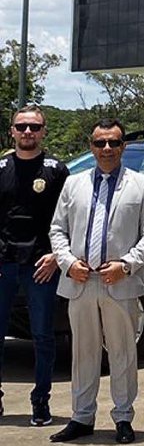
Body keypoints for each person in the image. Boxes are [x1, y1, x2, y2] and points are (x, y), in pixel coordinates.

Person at [48, 118, 144, 443]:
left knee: (122, 352)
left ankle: (123, 418)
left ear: (123, 146)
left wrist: (126, 265)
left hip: (119, 281)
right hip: (81, 281)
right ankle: (82, 417)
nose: (107, 149)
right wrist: (68, 263)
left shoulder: (140, 184)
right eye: (100, 143)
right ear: (91, 146)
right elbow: (58, 228)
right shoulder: (74, 184)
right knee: (83, 353)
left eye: (113, 142)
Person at [0, 106, 70, 425]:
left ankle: (40, 400)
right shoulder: (1, 167)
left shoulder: (57, 170)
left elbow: (69, 219)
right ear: (12, 130)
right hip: (4, 263)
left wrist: (57, 256)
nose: (28, 132)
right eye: (22, 126)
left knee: (42, 335)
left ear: (43, 131)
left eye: (34, 127)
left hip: (41, 263)